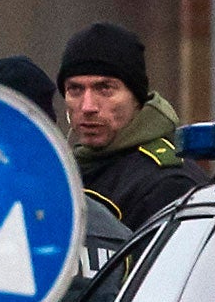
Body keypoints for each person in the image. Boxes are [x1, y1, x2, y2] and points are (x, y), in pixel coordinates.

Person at [58, 23, 202, 230]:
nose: (88, 106)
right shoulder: (68, 171)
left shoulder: (167, 183)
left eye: (105, 88)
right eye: (75, 90)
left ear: (136, 98)